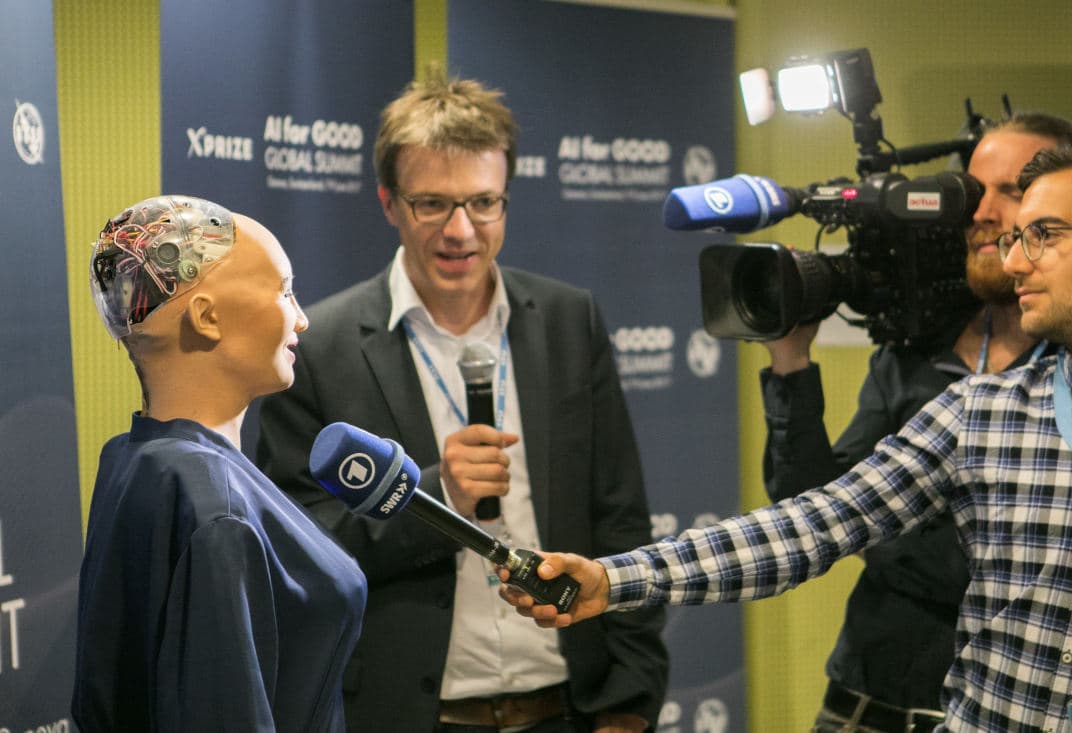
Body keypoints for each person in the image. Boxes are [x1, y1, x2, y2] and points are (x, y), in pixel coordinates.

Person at [502, 142, 1072, 732]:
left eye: (1043, 234)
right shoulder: (982, 412)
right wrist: (614, 580)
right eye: (1018, 238)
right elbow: (814, 523)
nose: (1016, 260)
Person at [256, 69, 668, 733]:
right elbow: (299, 551)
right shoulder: (319, 346)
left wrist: (630, 702)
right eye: (432, 204)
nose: (461, 231)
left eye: (483, 202)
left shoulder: (569, 320)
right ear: (389, 202)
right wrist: (433, 496)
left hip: (570, 707)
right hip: (411, 715)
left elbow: (620, 516)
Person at [758, 113, 1072, 732]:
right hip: (864, 705)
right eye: (973, 189)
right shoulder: (913, 346)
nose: (982, 212)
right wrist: (790, 359)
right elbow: (817, 510)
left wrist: (892, 537)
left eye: (1013, 192)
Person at [72, 195, 367, 731]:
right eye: (284, 291)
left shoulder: (133, 458)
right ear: (207, 317)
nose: (300, 319)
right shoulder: (213, 502)